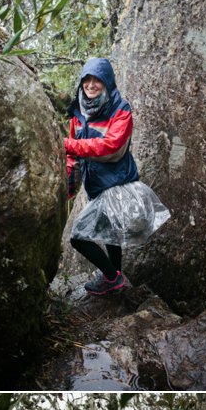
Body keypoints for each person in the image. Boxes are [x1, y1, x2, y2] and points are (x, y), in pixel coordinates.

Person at [65, 57, 139, 296]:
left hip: (117, 184)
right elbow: (72, 155)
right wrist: (69, 183)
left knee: (78, 238)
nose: (91, 85)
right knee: (111, 234)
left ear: (107, 81)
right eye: (87, 79)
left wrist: (69, 145)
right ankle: (114, 280)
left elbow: (111, 146)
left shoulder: (120, 109)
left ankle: (111, 277)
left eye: (97, 79)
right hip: (95, 184)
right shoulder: (78, 111)